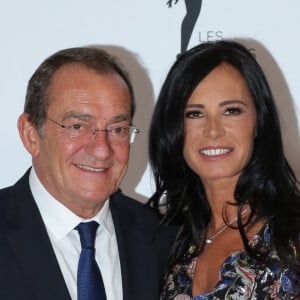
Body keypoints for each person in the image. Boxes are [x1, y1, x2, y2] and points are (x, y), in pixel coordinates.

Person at [0, 46, 175, 300]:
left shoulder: (161, 239)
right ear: (31, 134)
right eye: (77, 126)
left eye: (117, 129)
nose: (102, 150)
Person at [148, 40, 300, 299]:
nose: (213, 130)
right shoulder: (168, 239)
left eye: (231, 111)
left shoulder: (291, 236)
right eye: (194, 114)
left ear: (258, 122)